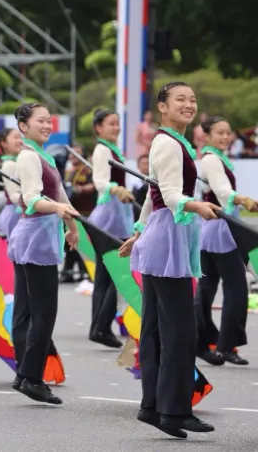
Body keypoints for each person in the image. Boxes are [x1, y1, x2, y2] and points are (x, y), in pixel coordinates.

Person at [120, 81, 218, 436]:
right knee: (179, 331)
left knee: (158, 330)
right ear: (162, 106)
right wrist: (196, 205)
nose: (188, 105)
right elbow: (172, 194)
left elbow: (152, 194)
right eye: (180, 99)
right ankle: (174, 412)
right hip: (168, 240)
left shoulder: (171, 143)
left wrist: (138, 233)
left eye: (192, 99)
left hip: (161, 237)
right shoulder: (168, 143)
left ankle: (153, 406)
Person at [6, 102, 79, 405]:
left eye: (50, 121)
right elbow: (33, 199)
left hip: (38, 237)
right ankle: (32, 378)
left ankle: (24, 373)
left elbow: (61, 194)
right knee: (42, 312)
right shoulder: (27, 156)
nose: (47, 125)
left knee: (28, 310)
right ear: (23, 126)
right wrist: (60, 209)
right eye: (41, 121)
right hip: (34, 238)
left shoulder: (44, 156)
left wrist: (70, 225)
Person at [194, 116, 256, 366]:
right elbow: (222, 192)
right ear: (207, 136)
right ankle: (226, 345)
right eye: (219, 133)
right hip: (220, 230)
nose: (225, 137)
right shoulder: (211, 160)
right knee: (236, 289)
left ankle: (202, 341)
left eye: (228, 133)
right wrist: (243, 199)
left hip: (210, 230)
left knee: (206, 289)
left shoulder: (212, 158)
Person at [87, 109, 133, 349]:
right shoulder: (102, 150)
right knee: (119, 274)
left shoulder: (112, 149)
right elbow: (100, 181)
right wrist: (116, 189)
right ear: (99, 128)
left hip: (117, 214)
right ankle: (101, 326)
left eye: (118, 124)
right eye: (111, 124)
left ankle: (99, 327)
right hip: (110, 217)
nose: (116, 128)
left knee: (106, 277)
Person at [60, 145, 92, 283]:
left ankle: (84, 270)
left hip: (84, 212)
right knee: (69, 243)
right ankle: (69, 270)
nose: (72, 157)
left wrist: (80, 189)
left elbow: (94, 185)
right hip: (70, 211)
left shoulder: (87, 169)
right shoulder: (69, 171)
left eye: (76, 154)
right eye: (71, 155)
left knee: (82, 242)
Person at [0, 128, 23, 238]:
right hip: (16, 213)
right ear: (4, 143)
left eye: (21, 138)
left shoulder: (16, 162)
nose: (20, 141)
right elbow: (14, 196)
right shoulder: (9, 164)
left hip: (19, 211)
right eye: (16, 137)